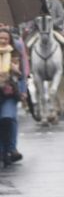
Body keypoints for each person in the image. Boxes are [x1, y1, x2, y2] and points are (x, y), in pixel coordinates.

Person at [0, 26, 25, 165]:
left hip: (9, 92)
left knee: (8, 117)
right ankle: (3, 150)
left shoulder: (15, 53)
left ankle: (11, 147)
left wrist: (23, 90)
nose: (3, 41)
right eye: (0, 38)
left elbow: (22, 74)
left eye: (5, 38)